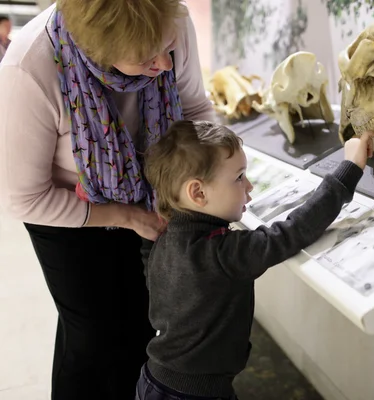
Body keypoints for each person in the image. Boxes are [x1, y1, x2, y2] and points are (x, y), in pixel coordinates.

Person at [0, 0, 215, 399]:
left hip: (151, 194)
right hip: (67, 210)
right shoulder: (31, 67)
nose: (165, 65)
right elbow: (23, 198)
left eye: (167, 48)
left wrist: (219, 172)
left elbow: (193, 105)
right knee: (94, 337)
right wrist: (124, 215)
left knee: (139, 323)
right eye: (146, 59)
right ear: (95, 49)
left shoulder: (170, 21)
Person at [136, 120, 374, 400]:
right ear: (198, 193)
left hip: (155, 381)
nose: (249, 186)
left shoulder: (165, 241)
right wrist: (350, 169)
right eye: (239, 177)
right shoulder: (220, 254)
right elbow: (292, 233)